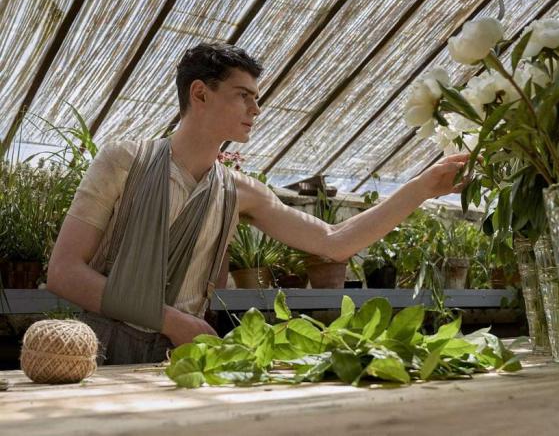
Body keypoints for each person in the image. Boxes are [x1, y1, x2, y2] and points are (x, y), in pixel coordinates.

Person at [47, 43, 469, 365]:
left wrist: (420, 188)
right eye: (243, 95)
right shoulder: (125, 162)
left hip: (179, 360)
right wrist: (174, 321)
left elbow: (334, 242)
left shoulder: (240, 191)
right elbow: (64, 272)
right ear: (200, 93)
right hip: (94, 352)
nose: (257, 108)